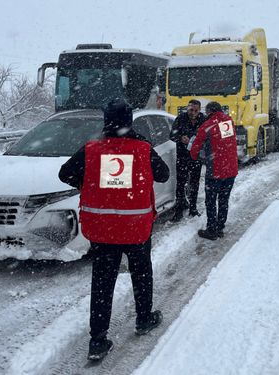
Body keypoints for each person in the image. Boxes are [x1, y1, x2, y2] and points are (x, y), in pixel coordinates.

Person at [58, 98, 169, 361]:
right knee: (141, 274)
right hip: (136, 228)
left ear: (105, 121)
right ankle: (144, 318)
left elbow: (65, 174)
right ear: (130, 121)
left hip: (103, 230)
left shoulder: (91, 150)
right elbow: (163, 175)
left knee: (102, 283)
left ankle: (97, 340)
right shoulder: (142, 149)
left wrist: (90, 183)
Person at [189, 101, 238, 240]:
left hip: (215, 171)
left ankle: (212, 230)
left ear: (209, 112)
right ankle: (220, 227)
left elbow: (195, 149)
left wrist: (195, 155)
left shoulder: (206, 126)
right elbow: (225, 142)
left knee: (211, 201)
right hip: (230, 170)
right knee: (223, 200)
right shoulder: (227, 122)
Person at [169, 99, 206, 222]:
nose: (193, 113)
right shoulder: (180, 118)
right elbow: (172, 135)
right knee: (181, 184)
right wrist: (180, 138)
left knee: (194, 183)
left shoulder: (203, 120)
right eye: (191, 110)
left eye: (195, 110)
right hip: (183, 156)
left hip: (196, 157)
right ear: (187, 108)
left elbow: (208, 136)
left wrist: (199, 141)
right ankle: (179, 211)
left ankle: (193, 208)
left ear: (199, 110)